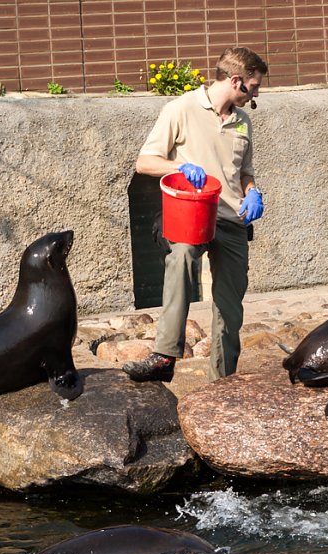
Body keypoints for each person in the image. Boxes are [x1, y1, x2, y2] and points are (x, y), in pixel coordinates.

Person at [123, 47, 268, 383]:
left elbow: (245, 172)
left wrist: (253, 192)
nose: (257, 93)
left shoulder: (243, 122)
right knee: (182, 259)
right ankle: (164, 356)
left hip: (232, 219)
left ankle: (222, 381)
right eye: (254, 86)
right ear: (236, 81)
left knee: (230, 308)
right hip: (191, 213)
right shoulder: (181, 109)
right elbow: (145, 162)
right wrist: (180, 167)